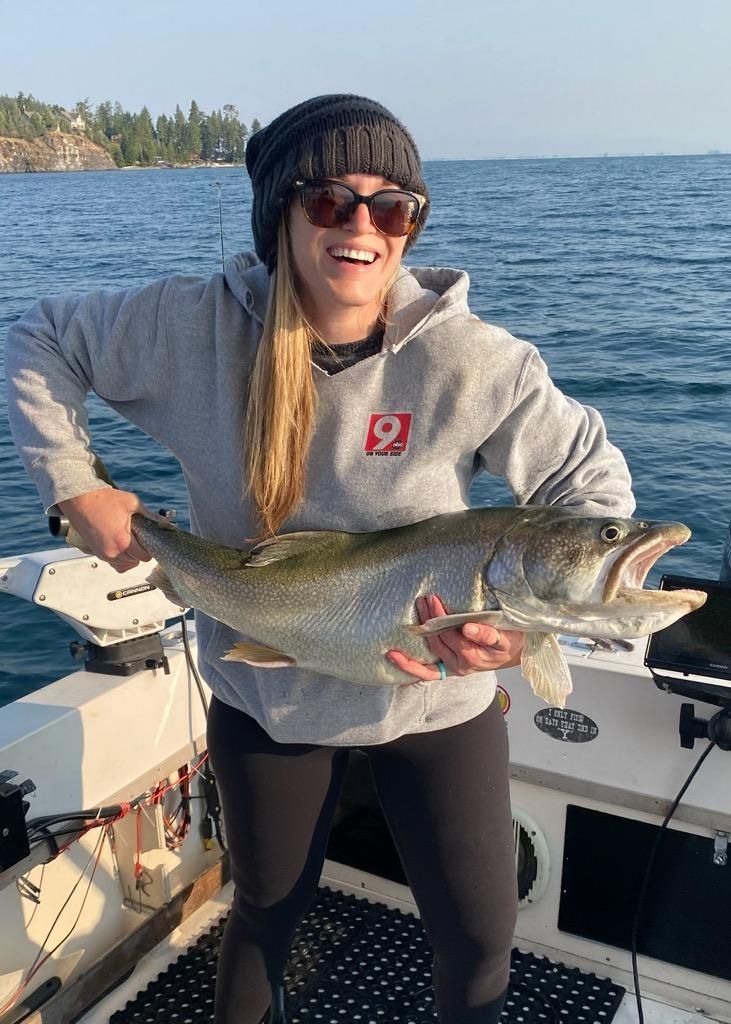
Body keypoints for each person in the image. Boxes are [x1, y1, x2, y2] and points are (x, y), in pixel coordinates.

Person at [5, 94, 634, 1024]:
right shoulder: (193, 329)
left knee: (477, 933)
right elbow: (37, 338)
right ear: (280, 213)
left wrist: (507, 636)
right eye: (330, 200)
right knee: (265, 910)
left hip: (433, 700)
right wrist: (73, 485)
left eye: (393, 206)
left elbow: (592, 488)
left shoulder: (474, 359)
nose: (364, 227)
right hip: (270, 690)